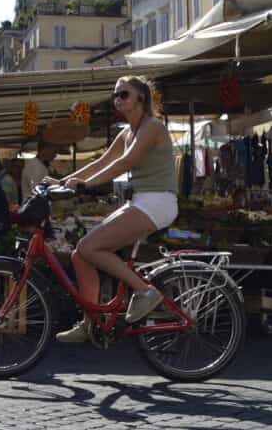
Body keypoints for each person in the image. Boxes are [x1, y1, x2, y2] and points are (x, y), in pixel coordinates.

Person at [44, 76, 178, 343]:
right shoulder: (127, 132)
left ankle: (145, 291)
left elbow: (124, 163)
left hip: (158, 201)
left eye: (124, 94)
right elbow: (103, 161)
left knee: (91, 247)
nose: (118, 99)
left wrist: (85, 185)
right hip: (142, 201)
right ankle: (90, 322)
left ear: (140, 97)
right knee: (81, 254)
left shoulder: (152, 126)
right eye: (115, 95)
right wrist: (61, 182)